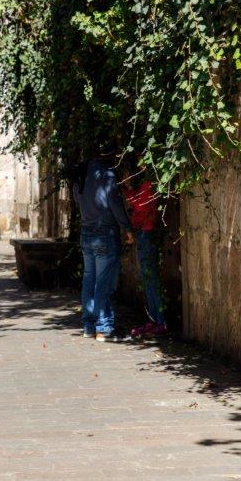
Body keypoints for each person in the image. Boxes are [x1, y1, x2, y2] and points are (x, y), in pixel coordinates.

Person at [71, 146, 134, 342]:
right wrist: (127, 227)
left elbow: (76, 198)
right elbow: (114, 203)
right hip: (104, 233)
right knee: (104, 283)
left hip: (86, 232)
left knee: (89, 281)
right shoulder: (106, 175)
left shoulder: (81, 173)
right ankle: (105, 328)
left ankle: (89, 326)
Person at [122, 170, 167, 337]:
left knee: (151, 277)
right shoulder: (143, 181)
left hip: (147, 233)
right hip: (143, 232)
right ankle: (154, 320)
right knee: (147, 278)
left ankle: (160, 321)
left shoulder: (148, 182)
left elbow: (140, 205)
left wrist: (128, 187)